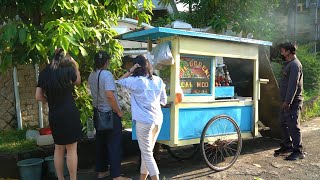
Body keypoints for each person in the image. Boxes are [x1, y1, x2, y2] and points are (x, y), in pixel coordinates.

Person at [117, 55, 167, 180]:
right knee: (147, 153)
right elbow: (163, 101)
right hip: (157, 119)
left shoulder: (135, 81)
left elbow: (118, 81)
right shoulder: (158, 80)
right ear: (148, 65)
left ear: (136, 66)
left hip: (143, 122)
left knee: (147, 154)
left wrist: (131, 70)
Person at [35, 48, 82, 180]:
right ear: (65, 58)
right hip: (69, 112)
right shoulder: (68, 70)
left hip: (55, 113)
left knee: (59, 148)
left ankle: (60, 178)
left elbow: (38, 96)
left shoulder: (44, 73)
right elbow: (78, 82)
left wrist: (50, 100)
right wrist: (75, 65)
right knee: (72, 148)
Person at [88, 51, 130, 180]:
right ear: (106, 62)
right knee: (114, 144)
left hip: (97, 113)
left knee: (101, 143)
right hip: (110, 115)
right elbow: (110, 96)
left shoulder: (92, 75)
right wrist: (118, 111)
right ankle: (116, 175)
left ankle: (102, 171)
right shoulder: (107, 74)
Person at [274, 42, 304, 161]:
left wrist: (288, 101)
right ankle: (287, 146)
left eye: (283, 50)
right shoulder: (289, 64)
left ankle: (298, 151)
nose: (281, 52)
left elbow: (293, 85)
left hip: (293, 101)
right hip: (286, 100)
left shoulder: (295, 65)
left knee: (293, 126)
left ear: (289, 51)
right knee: (282, 122)